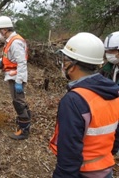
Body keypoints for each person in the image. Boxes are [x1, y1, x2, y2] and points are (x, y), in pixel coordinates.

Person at [49, 32, 119, 177]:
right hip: (105, 170)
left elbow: (69, 154)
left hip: (83, 172)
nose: (63, 64)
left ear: (72, 65)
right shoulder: (113, 92)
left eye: (65, 60)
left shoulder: (74, 100)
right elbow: (116, 137)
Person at [0, 16, 31, 140]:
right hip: (12, 74)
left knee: (18, 102)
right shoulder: (11, 41)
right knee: (20, 100)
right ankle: (26, 119)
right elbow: (10, 56)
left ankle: (24, 129)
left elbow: (22, 62)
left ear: (4, 29)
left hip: (16, 77)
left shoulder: (15, 42)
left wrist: (19, 82)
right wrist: (1, 61)